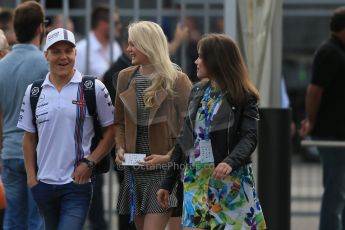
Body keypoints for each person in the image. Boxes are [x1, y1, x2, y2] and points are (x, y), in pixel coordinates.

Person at [157, 33, 267, 229]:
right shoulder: (198, 91)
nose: (196, 61)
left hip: (228, 183)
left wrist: (230, 162)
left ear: (216, 60)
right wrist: (168, 183)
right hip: (196, 181)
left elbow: (250, 137)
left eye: (201, 56)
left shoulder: (243, 97)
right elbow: (185, 139)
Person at [16, 27, 114, 230]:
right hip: (43, 186)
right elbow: (28, 138)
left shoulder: (93, 88)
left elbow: (111, 132)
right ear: (46, 55)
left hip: (77, 185)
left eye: (68, 51)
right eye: (56, 51)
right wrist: (32, 178)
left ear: (75, 53)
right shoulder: (33, 91)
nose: (63, 57)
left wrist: (90, 163)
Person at [114, 21, 192, 230]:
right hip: (135, 169)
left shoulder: (177, 80)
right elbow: (119, 122)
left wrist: (168, 156)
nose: (128, 49)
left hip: (165, 171)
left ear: (149, 44)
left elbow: (191, 128)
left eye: (134, 44)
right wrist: (120, 148)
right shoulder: (125, 77)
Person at [0, 1, 47, 229]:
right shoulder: (45, 65)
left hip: (9, 151)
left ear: (15, 28)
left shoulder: (2, 65)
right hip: (38, 153)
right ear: (40, 27)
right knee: (36, 219)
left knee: (13, 218)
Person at [299, 6, 345, 230]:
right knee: (335, 190)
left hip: (338, 134)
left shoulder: (337, 51)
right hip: (333, 135)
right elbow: (314, 90)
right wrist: (311, 120)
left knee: (339, 190)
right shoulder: (330, 52)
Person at [75, 5, 122, 80]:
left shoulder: (115, 46)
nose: (120, 26)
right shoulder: (81, 49)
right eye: (116, 23)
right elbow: (75, 81)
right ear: (102, 24)